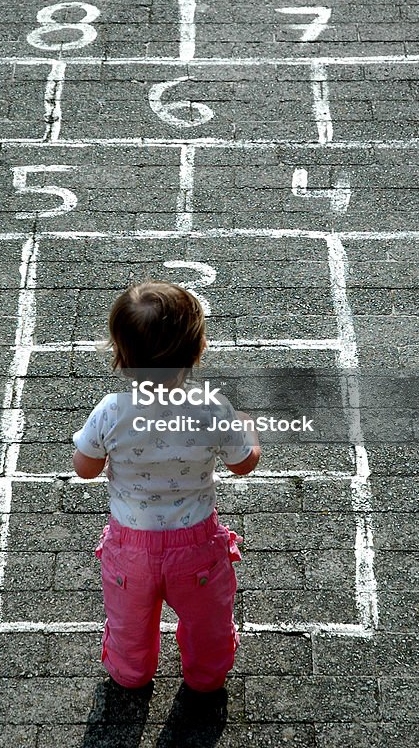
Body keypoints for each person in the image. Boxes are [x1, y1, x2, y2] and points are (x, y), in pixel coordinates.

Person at [72, 280, 261, 705]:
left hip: (130, 547)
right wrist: (247, 429)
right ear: (195, 352)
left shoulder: (111, 410)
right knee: (207, 621)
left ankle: (131, 674)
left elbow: (85, 469)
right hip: (196, 547)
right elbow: (244, 463)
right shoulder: (213, 408)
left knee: (129, 622)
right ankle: (206, 679)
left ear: (121, 356)